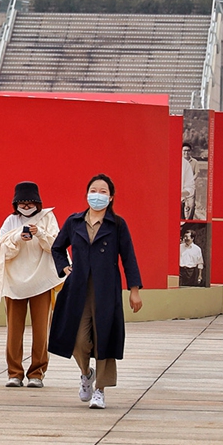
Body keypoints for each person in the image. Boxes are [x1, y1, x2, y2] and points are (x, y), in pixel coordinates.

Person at [49, 173, 142, 410]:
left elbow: (128, 257)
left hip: (106, 290)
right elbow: (57, 248)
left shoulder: (117, 224)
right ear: (86, 194)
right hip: (78, 289)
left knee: (104, 338)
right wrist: (64, 267)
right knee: (78, 339)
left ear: (110, 197)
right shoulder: (74, 222)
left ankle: (100, 390)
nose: (97, 195)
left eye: (103, 192)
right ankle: (86, 374)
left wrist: (134, 290)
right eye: (93, 191)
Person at [0, 181, 64, 387]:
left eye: (30, 202)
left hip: (42, 281)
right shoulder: (10, 221)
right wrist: (18, 238)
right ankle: (14, 373)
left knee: (41, 331)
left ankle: (37, 373)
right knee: (14, 331)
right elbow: (3, 251)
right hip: (15, 283)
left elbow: (56, 246)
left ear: (38, 203)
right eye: (22, 202)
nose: (26, 206)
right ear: (15, 204)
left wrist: (39, 233)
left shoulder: (48, 218)